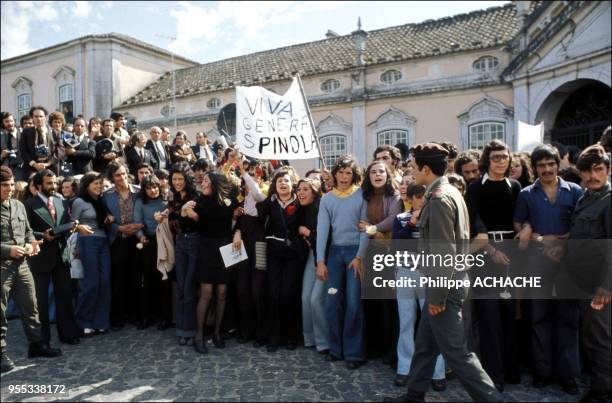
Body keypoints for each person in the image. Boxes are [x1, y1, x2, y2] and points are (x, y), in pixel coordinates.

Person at [390, 143, 502, 402]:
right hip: (446, 282)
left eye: (414, 167)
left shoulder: (439, 199)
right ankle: (414, 394)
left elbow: (443, 253)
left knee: (459, 354)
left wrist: (437, 297)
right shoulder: (447, 190)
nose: (411, 171)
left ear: (426, 169)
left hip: (444, 286)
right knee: (425, 346)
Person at [513, 144, 583, 394]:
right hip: (537, 260)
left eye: (550, 164)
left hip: (567, 262)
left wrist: (563, 243)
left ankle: (569, 375)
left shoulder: (574, 191)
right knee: (539, 317)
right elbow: (518, 222)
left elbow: (581, 223)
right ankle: (542, 372)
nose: (546, 169)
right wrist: (530, 231)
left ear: (557, 165)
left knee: (568, 318)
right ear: (535, 168)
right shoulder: (526, 194)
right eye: (541, 165)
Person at [465, 139, 522, 392]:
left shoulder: (516, 186)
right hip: (485, 255)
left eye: (504, 157)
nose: (501, 161)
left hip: (511, 254)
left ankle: (511, 369)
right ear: (487, 160)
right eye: (496, 157)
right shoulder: (475, 188)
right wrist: (491, 251)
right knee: (489, 317)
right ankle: (493, 374)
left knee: (510, 313)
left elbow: (521, 219)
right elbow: (472, 225)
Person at [1, 166, 62, 373]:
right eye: (4, 185)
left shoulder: (18, 205)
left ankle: (36, 345)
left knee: (31, 307)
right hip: (2, 267)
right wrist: (9, 249)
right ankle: (1, 354)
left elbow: (27, 231)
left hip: (23, 265)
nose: (9, 189)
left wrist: (31, 243)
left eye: (10, 185)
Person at [392, 177, 446, 390]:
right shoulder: (401, 218)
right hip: (406, 271)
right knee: (406, 321)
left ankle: (437, 370)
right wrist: (413, 223)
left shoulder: (438, 217)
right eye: (418, 197)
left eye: (426, 197)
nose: (421, 201)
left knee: (434, 323)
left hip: (429, 272)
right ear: (411, 199)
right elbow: (397, 244)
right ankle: (404, 367)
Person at [316, 156, 369, 369]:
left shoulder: (362, 196)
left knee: (354, 303)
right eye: (341, 172)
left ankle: (354, 353)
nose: (344, 176)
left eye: (349, 172)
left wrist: (360, 257)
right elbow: (322, 231)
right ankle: (336, 350)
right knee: (331, 301)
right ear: (335, 173)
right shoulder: (327, 199)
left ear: (353, 175)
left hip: (356, 254)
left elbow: (366, 229)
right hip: (335, 255)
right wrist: (320, 260)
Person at [568, 144, 611, 403]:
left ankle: (603, 393)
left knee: (601, 339)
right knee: (591, 337)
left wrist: (607, 286)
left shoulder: (608, 201)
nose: (592, 176)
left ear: (608, 170)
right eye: (587, 171)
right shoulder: (585, 198)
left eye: (598, 170)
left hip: (600, 285)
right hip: (583, 282)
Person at [182, 172, 240, 354]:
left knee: (222, 292)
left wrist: (237, 230)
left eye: (207, 181)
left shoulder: (230, 200)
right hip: (206, 248)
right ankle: (199, 336)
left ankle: (217, 333)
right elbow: (188, 224)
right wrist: (185, 212)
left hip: (226, 247)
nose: (203, 183)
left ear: (215, 183)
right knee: (206, 292)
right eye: (203, 181)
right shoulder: (198, 201)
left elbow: (238, 221)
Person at [24, 170, 83, 346]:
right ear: (38, 185)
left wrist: (72, 227)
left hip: (61, 254)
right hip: (40, 257)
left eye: (54, 183)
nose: (53, 186)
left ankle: (68, 333)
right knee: (40, 300)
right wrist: (42, 235)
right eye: (49, 183)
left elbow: (64, 224)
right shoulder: (28, 205)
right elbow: (25, 231)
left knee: (65, 295)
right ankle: (41, 339)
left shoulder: (61, 202)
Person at [255, 168, 303, 353]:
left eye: (286, 181)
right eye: (279, 181)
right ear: (274, 185)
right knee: (273, 294)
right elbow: (258, 211)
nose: (283, 184)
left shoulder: (299, 203)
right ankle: (274, 337)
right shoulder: (270, 203)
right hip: (273, 252)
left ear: (293, 184)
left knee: (287, 294)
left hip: (291, 254)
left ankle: (290, 336)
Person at [359, 160, 402, 365]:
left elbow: (394, 219)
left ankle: (390, 349)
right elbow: (359, 222)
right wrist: (371, 231)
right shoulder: (364, 196)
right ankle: (374, 346)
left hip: (388, 254)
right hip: (370, 253)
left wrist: (372, 229)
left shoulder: (394, 196)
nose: (377, 175)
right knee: (372, 301)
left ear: (388, 174)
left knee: (389, 303)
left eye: (381, 172)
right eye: (373, 172)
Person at [71, 172, 112, 336]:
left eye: (100, 184)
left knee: (105, 282)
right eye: (95, 184)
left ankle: (100, 322)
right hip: (87, 241)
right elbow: (72, 224)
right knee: (92, 283)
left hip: (103, 241)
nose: (99, 187)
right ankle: (84, 321)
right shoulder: (79, 202)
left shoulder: (102, 201)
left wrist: (109, 218)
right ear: (87, 185)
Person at [103, 162, 143, 330]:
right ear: (112, 177)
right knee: (118, 279)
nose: (122, 178)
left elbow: (146, 211)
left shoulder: (139, 192)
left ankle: (134, 314)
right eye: (117, 175)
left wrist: (138, 226)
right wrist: (118, 228)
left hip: (137, 239)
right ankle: (118, 316)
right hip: (118, 239)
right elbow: (104, 219)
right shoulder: (106, 195)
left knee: (135, 278)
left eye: (124, 174)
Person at [134, 175, 171, 330]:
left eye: (155, 187)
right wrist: (141, 237)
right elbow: (138, 222)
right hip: (148, 242)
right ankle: (147, 316)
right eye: (149, 188)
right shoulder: (140, 202)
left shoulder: (165, 201)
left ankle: (165, 317)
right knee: (148, 280)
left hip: (163, 241)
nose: (153, 190)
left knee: (164, 278)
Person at [297, 178, 330, 356]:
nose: (301, 192)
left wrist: (307, 232)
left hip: (324, 257)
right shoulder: (301, 209)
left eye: (306, 189)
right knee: (305, 298)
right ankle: (309, 339)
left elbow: (325, 236)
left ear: (315, 192)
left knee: (316, 299)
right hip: (312, 256)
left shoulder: (321, 208)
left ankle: (325, 342)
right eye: (299, 189)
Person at [168, 168, 199, 346]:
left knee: (188, 288)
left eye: (180, 179)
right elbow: (174, 221)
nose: (177, 182)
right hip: (180, 242)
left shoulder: (195, 197)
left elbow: (196, 221)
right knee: (180, 287)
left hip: (194, 241)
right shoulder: (172, 197)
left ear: (186, 179)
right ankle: (182, 330)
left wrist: (182, 215)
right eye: (175, 179)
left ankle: (191, 330)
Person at [20, 106, 56, 178]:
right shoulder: (26, 132)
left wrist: (48, 163)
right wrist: (34, 164)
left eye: (41, 116)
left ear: (45, 117)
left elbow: (60, 150)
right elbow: (23, 151)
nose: (39, 119)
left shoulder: (54, 132)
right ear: (32, 118)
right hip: (31, 168)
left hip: (50, 167)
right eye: (36, 116)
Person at [1, 112, 25, 181]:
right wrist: (1, 155)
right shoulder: (1, 135)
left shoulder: (23, 133)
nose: (10, 123)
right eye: (6, 121)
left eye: (11, 121)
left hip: (21, 167)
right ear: (3, 123)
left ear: (14, 121)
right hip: (5, 169)